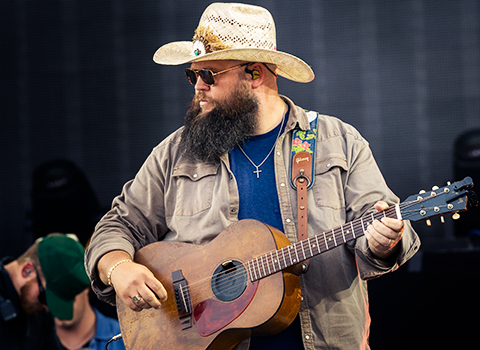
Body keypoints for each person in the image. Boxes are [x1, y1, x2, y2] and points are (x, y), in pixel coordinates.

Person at [84, 3, 420, 350]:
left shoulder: (338, 142)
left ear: (255, 74)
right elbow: (117, 226)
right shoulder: (175, 153)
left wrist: (384, 241)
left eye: (209, 75)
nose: (198, 87)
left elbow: (381, 226)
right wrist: (118, 269)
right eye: (192, 75)